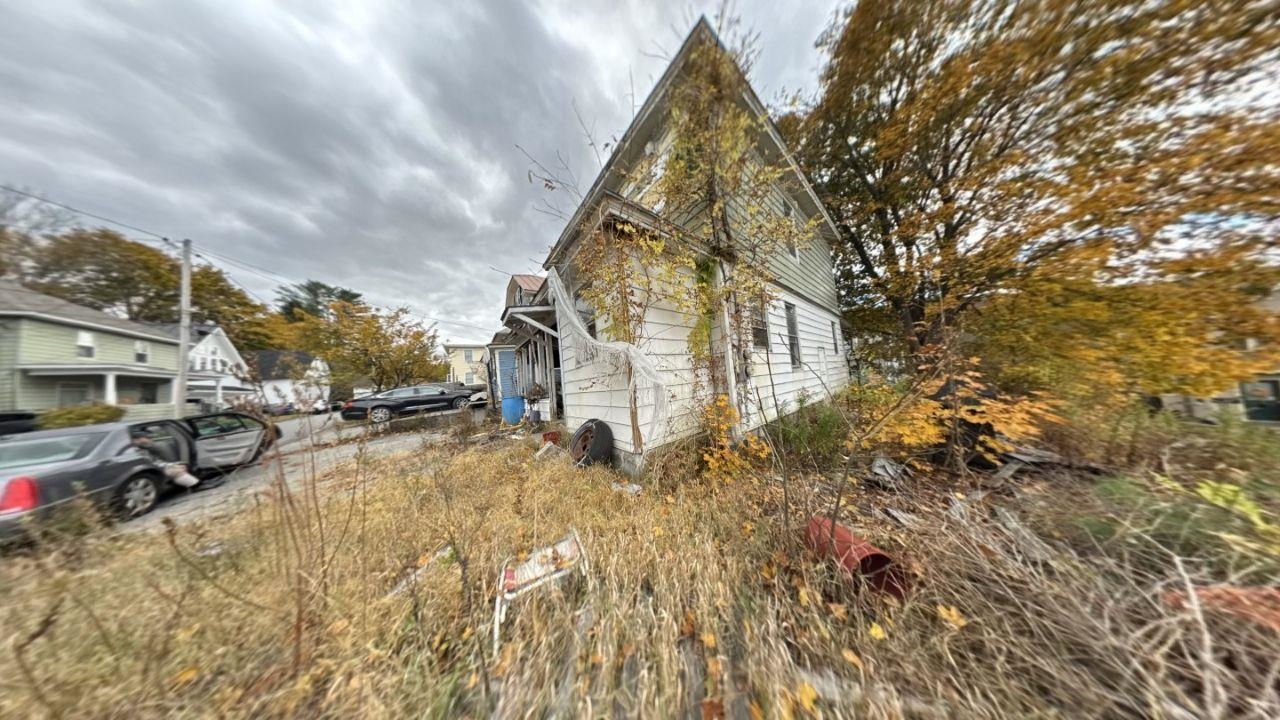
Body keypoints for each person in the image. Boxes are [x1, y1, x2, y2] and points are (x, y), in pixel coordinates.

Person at [130, 428, 202, 489]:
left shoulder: (146, 448)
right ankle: (196, 485)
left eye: (138, 439)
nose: (136, 441)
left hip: (155, 467)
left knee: (178, 468)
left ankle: (195, 484)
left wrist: (173, 464)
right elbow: (152, 463)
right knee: (177, 470)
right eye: (136, 440)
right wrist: (171, 466)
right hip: (151, 469)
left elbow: (155, 461)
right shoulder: (138, 451)